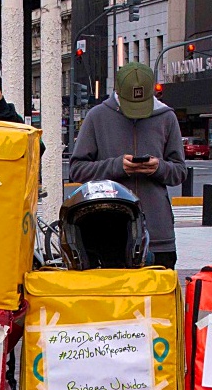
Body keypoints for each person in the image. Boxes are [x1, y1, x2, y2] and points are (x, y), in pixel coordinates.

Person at [67, 62, 186, 269]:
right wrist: (116, 166)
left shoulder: (167, 117)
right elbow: (77, 169)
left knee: (157, 298)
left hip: (158, 234)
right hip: (108, 231)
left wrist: (159, 168)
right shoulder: (97, 117)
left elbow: (179, 171)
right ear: (117, 93)